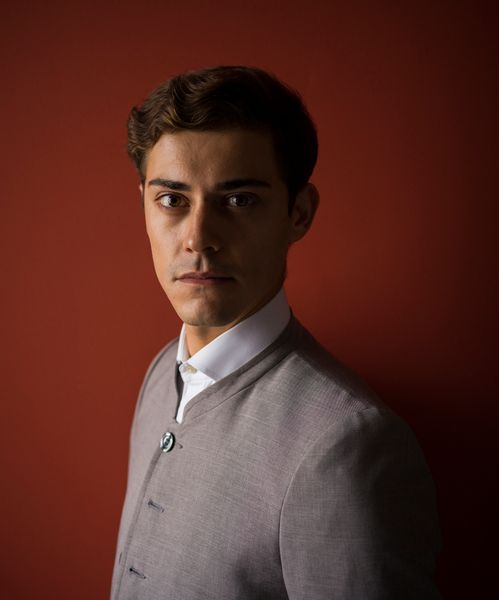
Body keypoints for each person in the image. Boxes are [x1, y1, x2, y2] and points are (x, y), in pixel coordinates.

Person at [111, 65, 441, 600]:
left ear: (299, 213)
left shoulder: (346, 444)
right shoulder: (158, 376)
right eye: (172, 199)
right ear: (144, 205)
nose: (198, 238)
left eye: (239, 199)